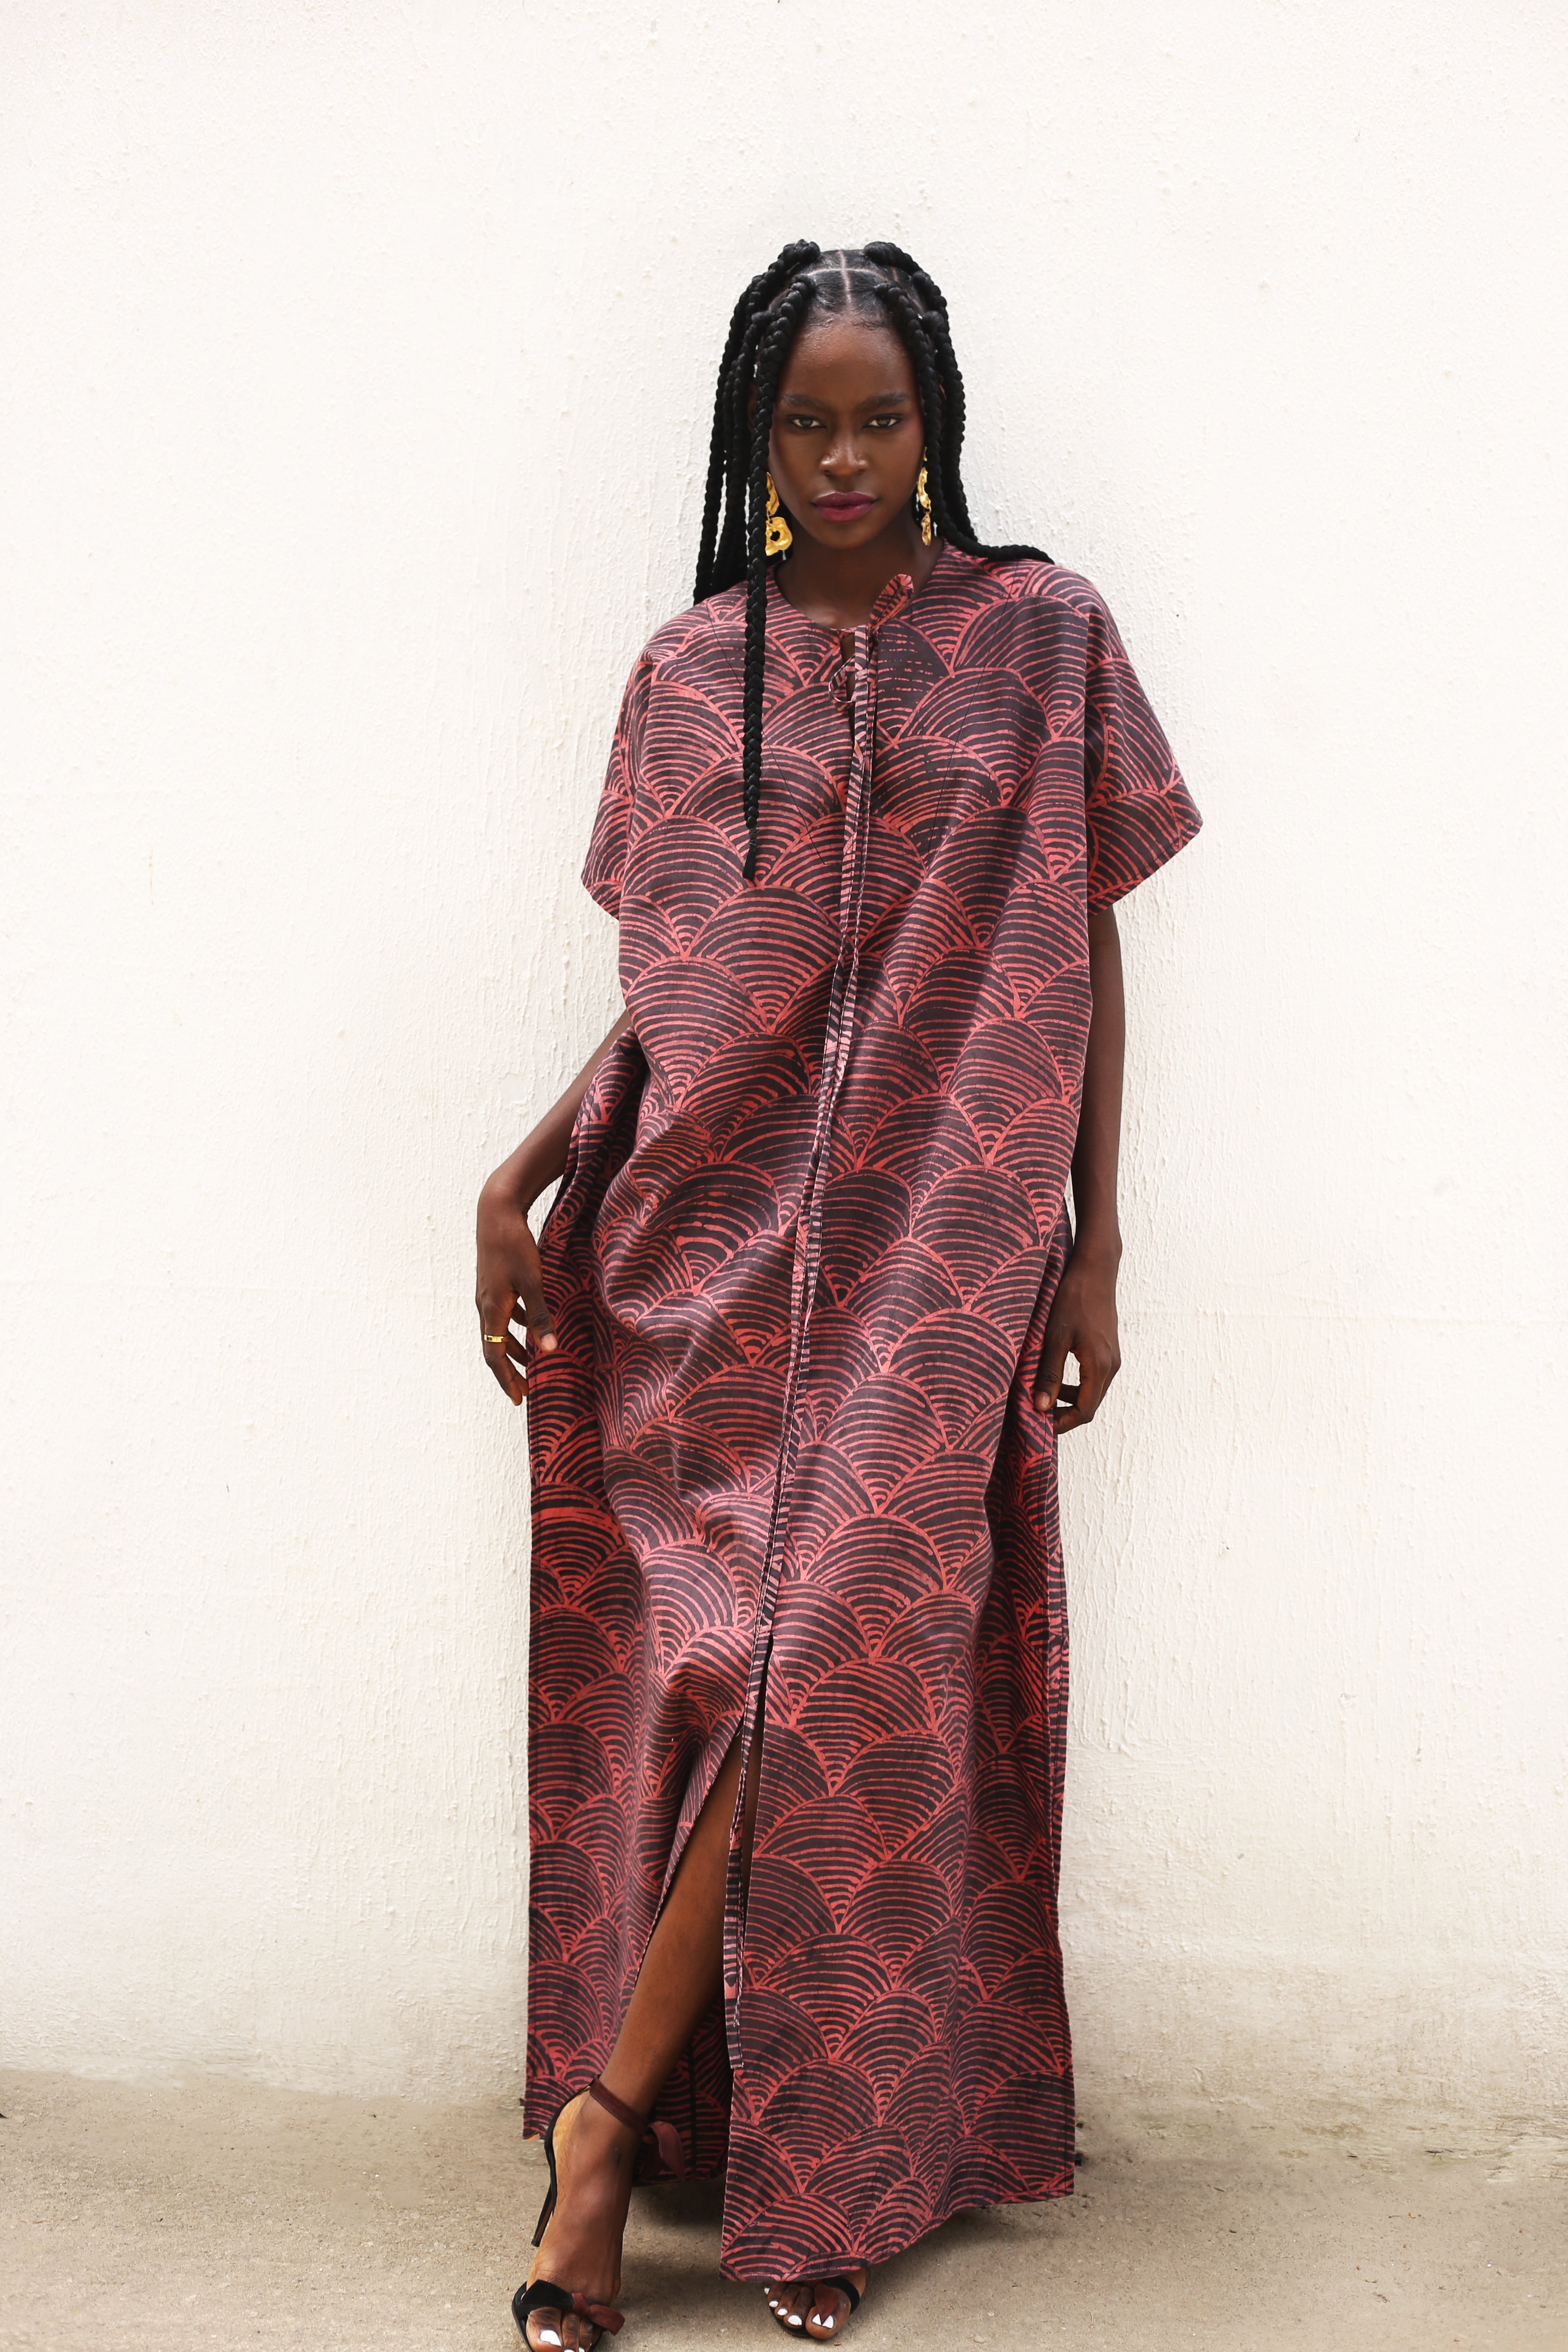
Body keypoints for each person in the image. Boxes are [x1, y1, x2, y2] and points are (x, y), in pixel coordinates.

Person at [476, 240, 1201, 2349]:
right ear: (757, 436)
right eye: (806, 424)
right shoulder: (692, 672)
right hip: (708, 1248)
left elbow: (1084, 932)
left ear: (934, 418)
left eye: (881, 417)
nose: (847, 458)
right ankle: (758, 2159)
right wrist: (528, 1170)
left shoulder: (1045, 638)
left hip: (944, 1240)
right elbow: (682, 998)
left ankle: (612, 2137)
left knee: (841, 1655)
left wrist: (1098, 1236)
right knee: (727, 1672)